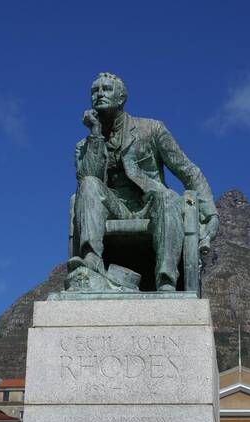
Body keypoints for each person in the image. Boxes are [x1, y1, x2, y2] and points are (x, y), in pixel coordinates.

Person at [71, 72, 218, 291]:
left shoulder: (152, 129)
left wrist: (211, 213)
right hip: (113, 207)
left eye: (106, 89)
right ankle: (92, 263)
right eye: (95, 91)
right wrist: (95, 134)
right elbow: (87, 179)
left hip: (150, 204)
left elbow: (187, 170)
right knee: (90, 184)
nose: (99, 94)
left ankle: (166, 281)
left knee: (166, 196)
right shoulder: (85, 144)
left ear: (121, 98)